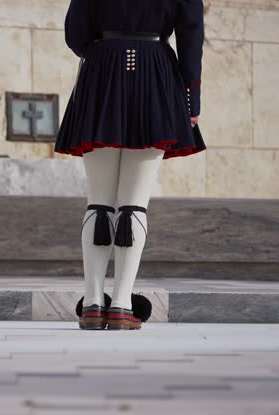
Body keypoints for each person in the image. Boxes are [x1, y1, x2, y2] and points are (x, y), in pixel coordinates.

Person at [56, 0, 206, 330]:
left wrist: (103, 50)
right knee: (134, 204)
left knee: (98, 201)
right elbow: (191, 34)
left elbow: (75, 32)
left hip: (102, 70)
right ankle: (122, 305)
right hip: (156, 73)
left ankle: (93, 304)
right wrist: (192, 96)